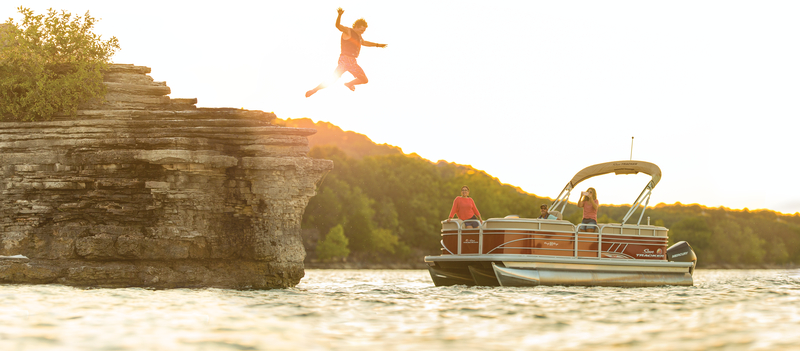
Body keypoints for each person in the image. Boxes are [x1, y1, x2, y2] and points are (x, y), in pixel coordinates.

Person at [305, 8, 387, 98]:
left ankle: (349, 84)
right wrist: (339, 15)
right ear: (356, 26)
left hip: (353, 62)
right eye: (361, 30)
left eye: (364, 31)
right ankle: (314, 90)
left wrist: (378, 45)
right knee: (333, 79)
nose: (362, 32)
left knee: (364, 80)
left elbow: (364, 43)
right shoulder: (348, 31)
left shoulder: (359, 37)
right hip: (345, 60)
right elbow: (338, 26)